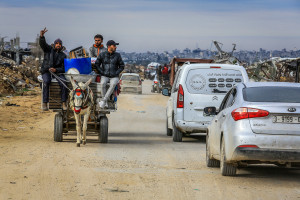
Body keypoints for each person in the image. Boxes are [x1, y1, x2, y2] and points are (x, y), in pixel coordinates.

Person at [39, 27, 68, 111]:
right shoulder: (48, 50)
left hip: (57, 73)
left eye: (60, 44)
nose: (58, 45)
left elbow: (64, 68)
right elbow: (42, 44)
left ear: (61, 45)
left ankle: (64, 103)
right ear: (54, 44)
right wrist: (41, 36)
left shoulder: (63, 55)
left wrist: (56, 70)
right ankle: (45, 103)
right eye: (57, 43)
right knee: (46, 81)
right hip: (46, 71)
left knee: (64, 83)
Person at [95, 40, 124, 109]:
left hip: (114, 76)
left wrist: (116, 73)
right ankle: (105, 102)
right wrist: (102, 72)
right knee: (102, 84)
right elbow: (97, 64)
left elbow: (122, 66)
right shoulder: (102, 54)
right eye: (114, 46)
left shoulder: (118, 55)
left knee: (113, 84)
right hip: (105, 75)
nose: (115, 47)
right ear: (109, 46)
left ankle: (104, 101)